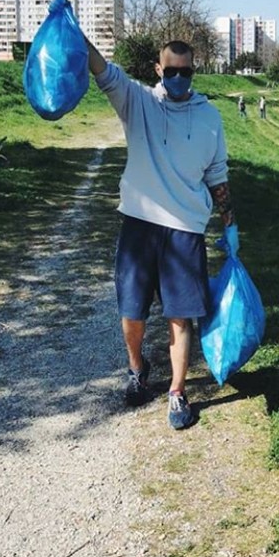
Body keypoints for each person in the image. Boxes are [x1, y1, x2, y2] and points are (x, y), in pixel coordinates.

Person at [86, 38, 238, 430]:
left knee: (180, 317)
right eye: (170, 71)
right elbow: (102, 71)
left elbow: (217, 175)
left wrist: (230, 223)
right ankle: (138, 367)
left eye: (185, 72)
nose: (177, 78)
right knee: (131, 314)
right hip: (139, 225)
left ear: (194, 71)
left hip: (186, 231)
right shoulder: (139, 103)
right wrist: (72, 31)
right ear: (159, 70)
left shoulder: (209, 118)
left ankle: (176, 391)